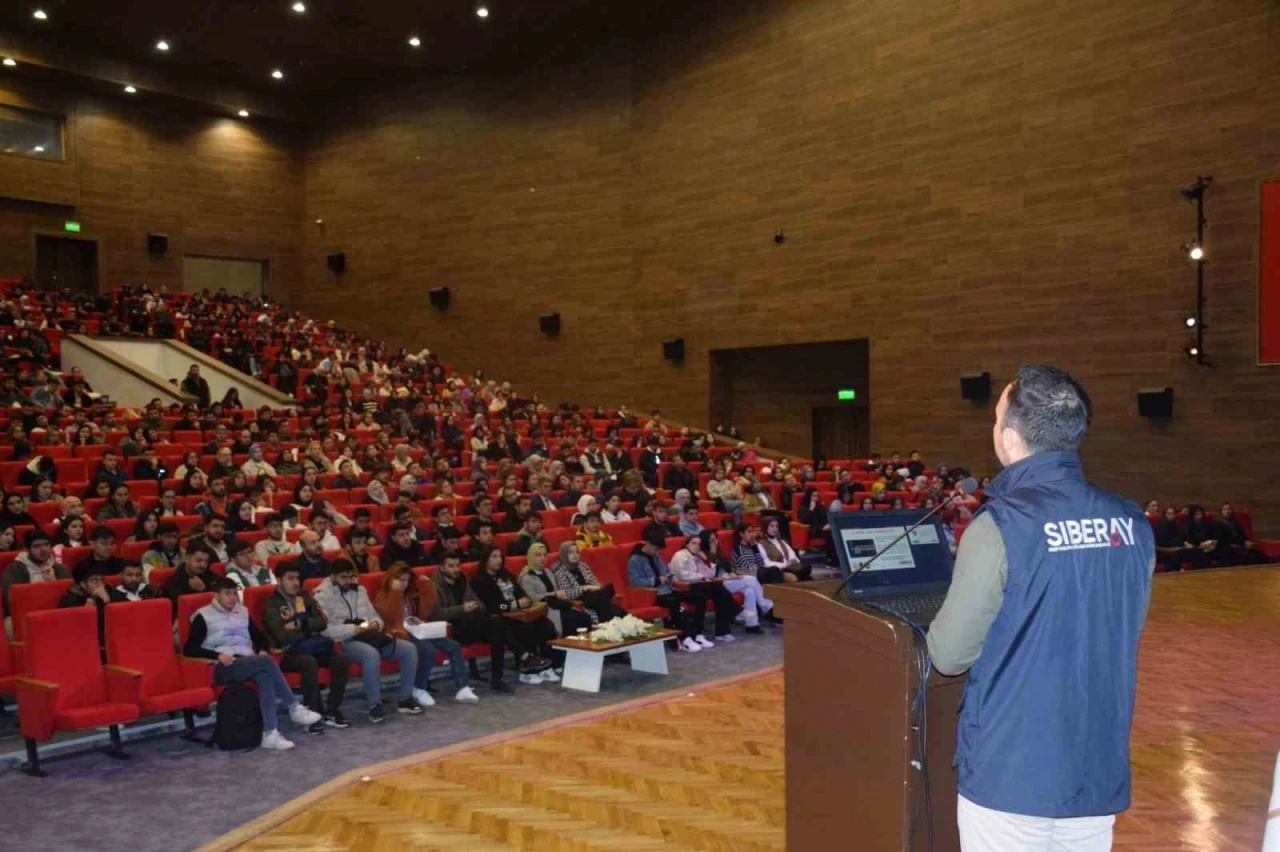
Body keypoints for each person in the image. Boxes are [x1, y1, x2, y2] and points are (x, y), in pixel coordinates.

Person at [925, 364, 1154, 850]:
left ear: (1009, 438)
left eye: (994, 419)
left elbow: (948, 654)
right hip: (1095, 766)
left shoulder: (999, 526)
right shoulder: (1132, 522)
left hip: (1010, 772)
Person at [184, 577, 323, 750]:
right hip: (222, 666)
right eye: (227, 594)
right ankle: (294, 707)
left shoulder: (243, 612)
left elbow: (260, 638)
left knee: (265, 675)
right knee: (264, 663)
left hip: (248, 660)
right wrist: (217, 655)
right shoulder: (203, 615)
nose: (232, 598)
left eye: (235, 593)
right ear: (216, 595)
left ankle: (270, 734)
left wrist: (263, 649)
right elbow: (189, 649)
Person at [314, 560, 423, 722]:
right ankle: (374, 704)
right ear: (333, 577)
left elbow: (375, 616)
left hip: (369, 635)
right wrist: (353, 629)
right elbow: (324, 630)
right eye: (344, 578)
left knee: (409, 649)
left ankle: (405, 699)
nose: (349, 581)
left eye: (352, 577)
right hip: (344, 640)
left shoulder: (360, 589)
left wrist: (375, 624)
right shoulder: (321, 596)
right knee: (371, 654)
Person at [374, 562, 479, 705]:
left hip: (417, 630)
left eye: (406, 580)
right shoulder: (382, 596)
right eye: (401, 580)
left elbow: (427, 610)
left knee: (453, 646)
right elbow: (390, 618)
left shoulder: (410, 595)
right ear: (391, 579)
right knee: (429, 650)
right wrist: (395, 592)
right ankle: (418, 688)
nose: (404, 584)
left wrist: (428, 586)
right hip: (399, 634)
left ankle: (462, 687)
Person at [263, 562, 352, 730]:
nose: (295, 583)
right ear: (279, 580)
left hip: (311, 647)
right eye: (290, 579)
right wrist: (310, 630)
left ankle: (332, 711)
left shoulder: (303, 597)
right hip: (286, 653)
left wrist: (299, 624)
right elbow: (282, 636)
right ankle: (313, 715)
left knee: (341, 659)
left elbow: (322, 622)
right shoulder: (271, 604)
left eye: (297, 578)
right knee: (308, 662)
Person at [469, 544, 557, 682]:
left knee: (545, 624)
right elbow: (492, 605)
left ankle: (545, 665)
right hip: (499, 618)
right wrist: (514, 605)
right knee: (523, 628)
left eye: (500, 557)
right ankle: (526, 669)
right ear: (485, 559)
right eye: (494, 557)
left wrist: (525, 600)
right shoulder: (479, 580)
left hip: (518, 613)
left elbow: (520, 592)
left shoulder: (506, 574)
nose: (498, 560)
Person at [431, 553, 513, 693]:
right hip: (453, 628)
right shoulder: (434, 585)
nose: (456, 569)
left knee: (498, 625)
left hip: (471, 623)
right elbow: (436, 614)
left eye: (458, 565)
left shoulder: (462, 580)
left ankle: (497, 679)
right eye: (451, 566)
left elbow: (481, 605)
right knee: (495, 625)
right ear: (442, 568)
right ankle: (524, 656)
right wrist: (462, 609)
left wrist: (474, 607)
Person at [627, 530, 713, 653]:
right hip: (652, 593)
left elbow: (666, 571)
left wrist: (670, 577)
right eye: (656, 549)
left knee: (700, 598)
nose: (657, 553)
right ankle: (684, 638)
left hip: (667, 589)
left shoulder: (655, 556)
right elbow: (635, 582)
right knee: (674, 602)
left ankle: (696, 633)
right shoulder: (635, 560)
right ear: (648, 544)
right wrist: (656, 580)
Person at [518, 542, 593, 647]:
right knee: (575, 619)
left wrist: (568, 603)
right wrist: (554, 594)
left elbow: (560, 593)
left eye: (544, 555)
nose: (542, 558)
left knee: (584, 617)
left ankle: (584, 649)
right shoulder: (526, 578)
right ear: (531, 557)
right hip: (546, 609)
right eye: (538, 555)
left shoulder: (548, 572)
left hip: (559, 605)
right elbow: (534, 598)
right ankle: (568, 650)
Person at [668, 534, 741, 640]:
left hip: (698, 585)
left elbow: (709, 574)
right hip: (683, 587)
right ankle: (735, 612)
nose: (697, 546)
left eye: (699, 544)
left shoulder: (697, 556)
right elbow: (683, 576)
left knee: (720, 592)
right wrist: (702, 577)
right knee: (718, 590)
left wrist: (705, 559)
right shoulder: (680, 555)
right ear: (686, 544)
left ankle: (722, 632)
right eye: (693, 543)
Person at [702, 528, 772, 631]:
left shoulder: (719, 552)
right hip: (717, 584)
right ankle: (767, 606)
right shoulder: (703, 554)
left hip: (727, 580)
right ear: (706, 542)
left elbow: (728, 568)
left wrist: (733, 573)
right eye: (712, 540)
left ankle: (752, 624)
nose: (715, 542)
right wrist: (712, 554)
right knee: (751, 580)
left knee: (750, 591)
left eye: (716, 539)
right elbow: (710, 573)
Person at [59, 558, 129, 650]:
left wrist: (107, 603)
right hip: (84, 647)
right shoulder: (70, 600)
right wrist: (87, 609)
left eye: (102, 580)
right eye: (94, 581)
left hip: (117, 642)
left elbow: (126, 618)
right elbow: (70, 629)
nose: (100, 585)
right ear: (83, 584)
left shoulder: (112, 592)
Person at [2, 529, 70, 610]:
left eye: (46, 544)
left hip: (56, 613)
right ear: (27, 550)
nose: (43, 549)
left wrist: (53, 582)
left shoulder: (60, 569)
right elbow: (12, 602)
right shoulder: (14, 570)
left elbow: (70, 601)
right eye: (37, 546)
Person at [161, 545, 220, 612]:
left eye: (206, 562)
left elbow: (222, 598)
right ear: (187, 558)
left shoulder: (211, 576)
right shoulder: (173, 581)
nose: (203, 565)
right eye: (198, 560)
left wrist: (204, 589)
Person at [757, 516, 811, 582]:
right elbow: (766, 562)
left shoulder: (781, 541)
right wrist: (784, 565)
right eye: (772, 526)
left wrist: (791, 561)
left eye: (777, 526)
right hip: (777, 571)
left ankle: (801, 572)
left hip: (790, 567)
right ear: (765, 527)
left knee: (808, 577)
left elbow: (792, 554)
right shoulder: (761, 544)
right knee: (793, 578)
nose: (775, 528)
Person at [1153, 506, 1205, 572]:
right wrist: (1171, 549)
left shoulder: (1178, 526)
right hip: (1165, 553)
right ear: (1165, 515)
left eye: (1173, 514)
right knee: (1173, 556)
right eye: (1169, 514)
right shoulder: (1160, 528)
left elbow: (1184, 539)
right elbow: (1157, 546)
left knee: (1198, 552)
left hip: (1180, 549)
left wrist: (1187, 544)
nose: (1172, 516)